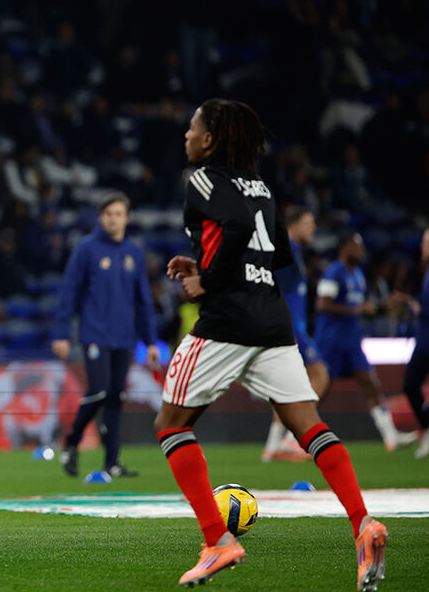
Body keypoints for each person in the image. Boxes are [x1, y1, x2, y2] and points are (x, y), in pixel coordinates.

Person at [160, 99, 387, 589]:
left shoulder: (202, 179)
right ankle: (363, 524)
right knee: (309, 426)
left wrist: (207, 281)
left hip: (227, 320)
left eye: (193, 127)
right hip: (273, 320)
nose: (187, 134)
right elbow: (277, 252)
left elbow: (238, 230)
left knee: (171, 424)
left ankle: (217, 541)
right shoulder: (260, 186)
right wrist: (206, 264)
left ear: (210, 139)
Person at [51, 192, 159, 479]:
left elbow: (143, 301)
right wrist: (61, 334)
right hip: (95, 334)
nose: (113, 219)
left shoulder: (134, 252)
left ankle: (112, 462)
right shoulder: (86, 249)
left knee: (115, 398)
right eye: (108, 214)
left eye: (118, 214)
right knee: (99, 391)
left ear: (127, 218)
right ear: (101, 217)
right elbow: (69, 293)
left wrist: (150, 341)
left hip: (124, 337)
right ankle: (71, 441)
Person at [315, 233, 417, 451]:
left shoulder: (358, 274)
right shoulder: (334, 272)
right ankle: (292, 435)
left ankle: (391, 436)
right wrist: (356, 309)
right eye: (357, 246)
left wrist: (381, 307)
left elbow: (360, 308)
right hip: (332, 340)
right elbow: (322, 304)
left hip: (352, 341)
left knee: (371, 384)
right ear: (345, 247)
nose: (361, 251)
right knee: (319, 390)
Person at [263, 206, 331, 461]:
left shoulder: (294, 251)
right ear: (294, 225)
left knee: (287, 388)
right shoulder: (287, 251)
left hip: (292, 325)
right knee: (319, 375)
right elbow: (275, 291)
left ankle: (273, 446)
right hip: (291, 326)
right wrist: (284, 328)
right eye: (308, 222)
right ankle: (293, 438)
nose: (313, 227)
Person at [405, 229, 429, 459]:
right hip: (423, 341)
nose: (423, 246)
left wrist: (420, 309)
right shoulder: (426, 271)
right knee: (410, 385)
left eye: (426, 242)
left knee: (411, 384)